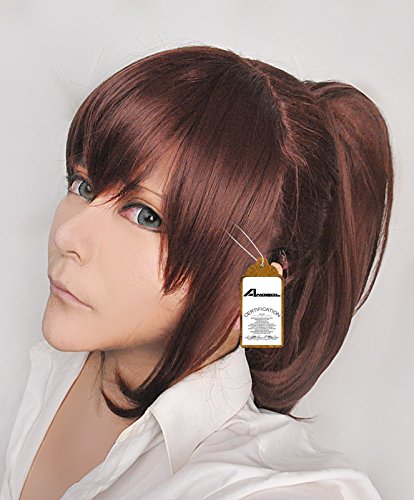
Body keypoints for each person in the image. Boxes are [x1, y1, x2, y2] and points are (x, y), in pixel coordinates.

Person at [0, 44, 392, 499]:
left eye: (146, 215)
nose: (67, 234)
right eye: (83, 185)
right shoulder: (45, 362)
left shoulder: (272, 488)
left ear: (260, 278)